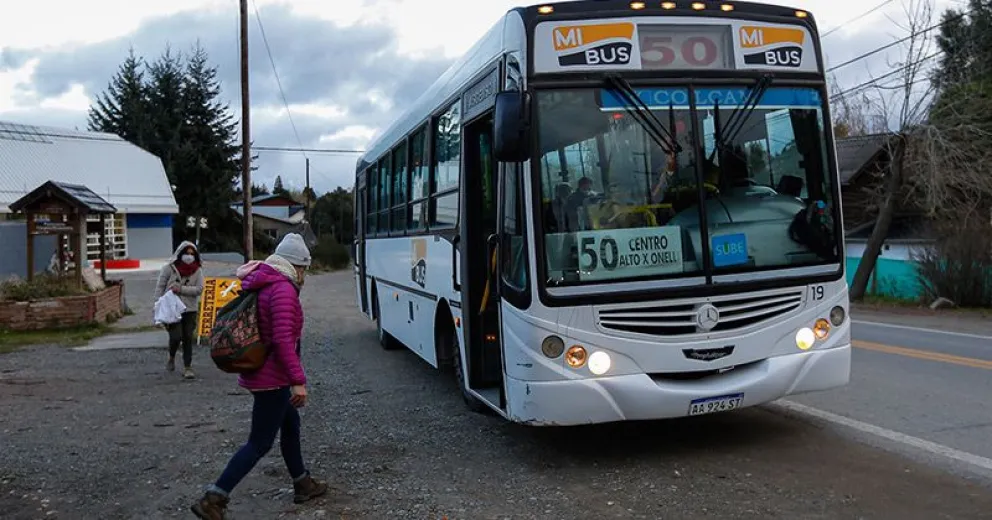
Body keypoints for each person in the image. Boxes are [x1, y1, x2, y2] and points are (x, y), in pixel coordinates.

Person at [191, 233, 327, 519]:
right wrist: (297, 380)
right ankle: (214, 497)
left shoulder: (264, 281)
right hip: (272, 378)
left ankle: (302, 482)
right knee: (259, 442)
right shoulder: (283, 290)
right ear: (298, 266)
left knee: (290, 426)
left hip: (262, 372)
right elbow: (282, 340)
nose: (304, 276)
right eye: (305, 269)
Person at [154, 240, 204, 379]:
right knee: (176, 336)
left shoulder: (198, 270)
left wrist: (181, 289)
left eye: (192, 254)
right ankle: (171, 356)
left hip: (190, 309)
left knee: (188, 337)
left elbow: (199, 289)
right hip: (172, 309)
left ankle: (188, 367)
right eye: (186, 253)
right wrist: (157, 304)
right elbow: (160, 286)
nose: (189, 257)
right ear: (180, 254)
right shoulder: (169, 268)